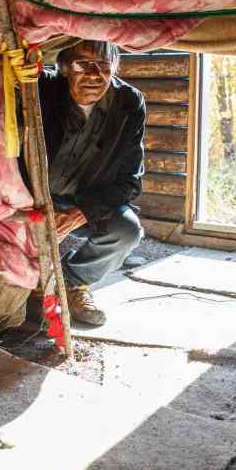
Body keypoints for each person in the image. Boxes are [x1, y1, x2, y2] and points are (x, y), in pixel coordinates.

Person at [39, 40, 146, 326]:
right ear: (64, 68)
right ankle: (37, 283)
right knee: (21, 287)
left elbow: (130, 181)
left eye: (104, 66)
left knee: (127, 231)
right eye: (83, 65)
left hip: (87, 201)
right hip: (36, 197)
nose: (95, 75)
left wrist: (84, 211)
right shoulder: (40, 89)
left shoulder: (128, 103)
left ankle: (73, 281)